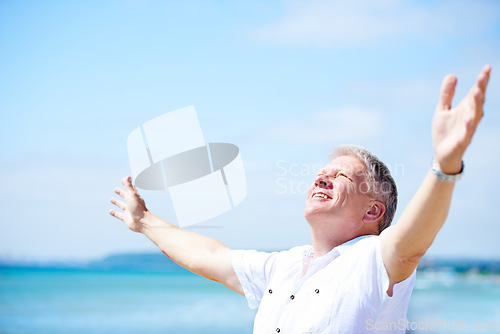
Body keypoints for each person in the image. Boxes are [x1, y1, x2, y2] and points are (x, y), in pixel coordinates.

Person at [109, 65, 491, 333]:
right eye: (321, 173)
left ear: (373, 210)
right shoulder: (284, 266)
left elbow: (411, 244)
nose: (322, 177)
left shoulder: (373, 261)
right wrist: (143, 221)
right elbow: (208, 256)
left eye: (340, 175)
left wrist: (444, 165)